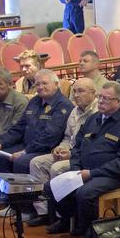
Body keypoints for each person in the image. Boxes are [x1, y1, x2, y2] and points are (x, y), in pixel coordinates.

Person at [43, 81, 120, 238]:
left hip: (113, 175)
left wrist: (91, 174)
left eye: (106, 99)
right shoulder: (93, 118)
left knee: (84, 192)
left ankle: (89, 229)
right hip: (83, 170)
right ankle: (68, 218)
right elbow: (77, 147)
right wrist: (75, 168)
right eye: (100, 97)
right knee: (51, 186)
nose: (101, 101)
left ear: (118, 101)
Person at [0, 69, 72, 206]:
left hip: (46, 148)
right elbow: (19, 127)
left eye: (44, 83)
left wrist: (25, 152)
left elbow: (49, 137)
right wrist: (0, 144)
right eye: (37, 84)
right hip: (28, 145)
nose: (41, 87)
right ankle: (0, 197)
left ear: (56, 84)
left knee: (21, 161)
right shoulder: (35, 101)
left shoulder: (62, 105)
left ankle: (24, 207)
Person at [27, 77, 97, 223]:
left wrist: (71, 154)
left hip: (84, 157)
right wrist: (61, 148)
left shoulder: (97, 113)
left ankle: (62, 216)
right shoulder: (74, 111)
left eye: (81, 91)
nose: (76, 95)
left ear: (93, 93)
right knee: (36, 163)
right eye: (74, 91)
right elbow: (67, 138)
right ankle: (44, 211)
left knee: (57, 168)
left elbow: (94, 145)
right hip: (69, 152)